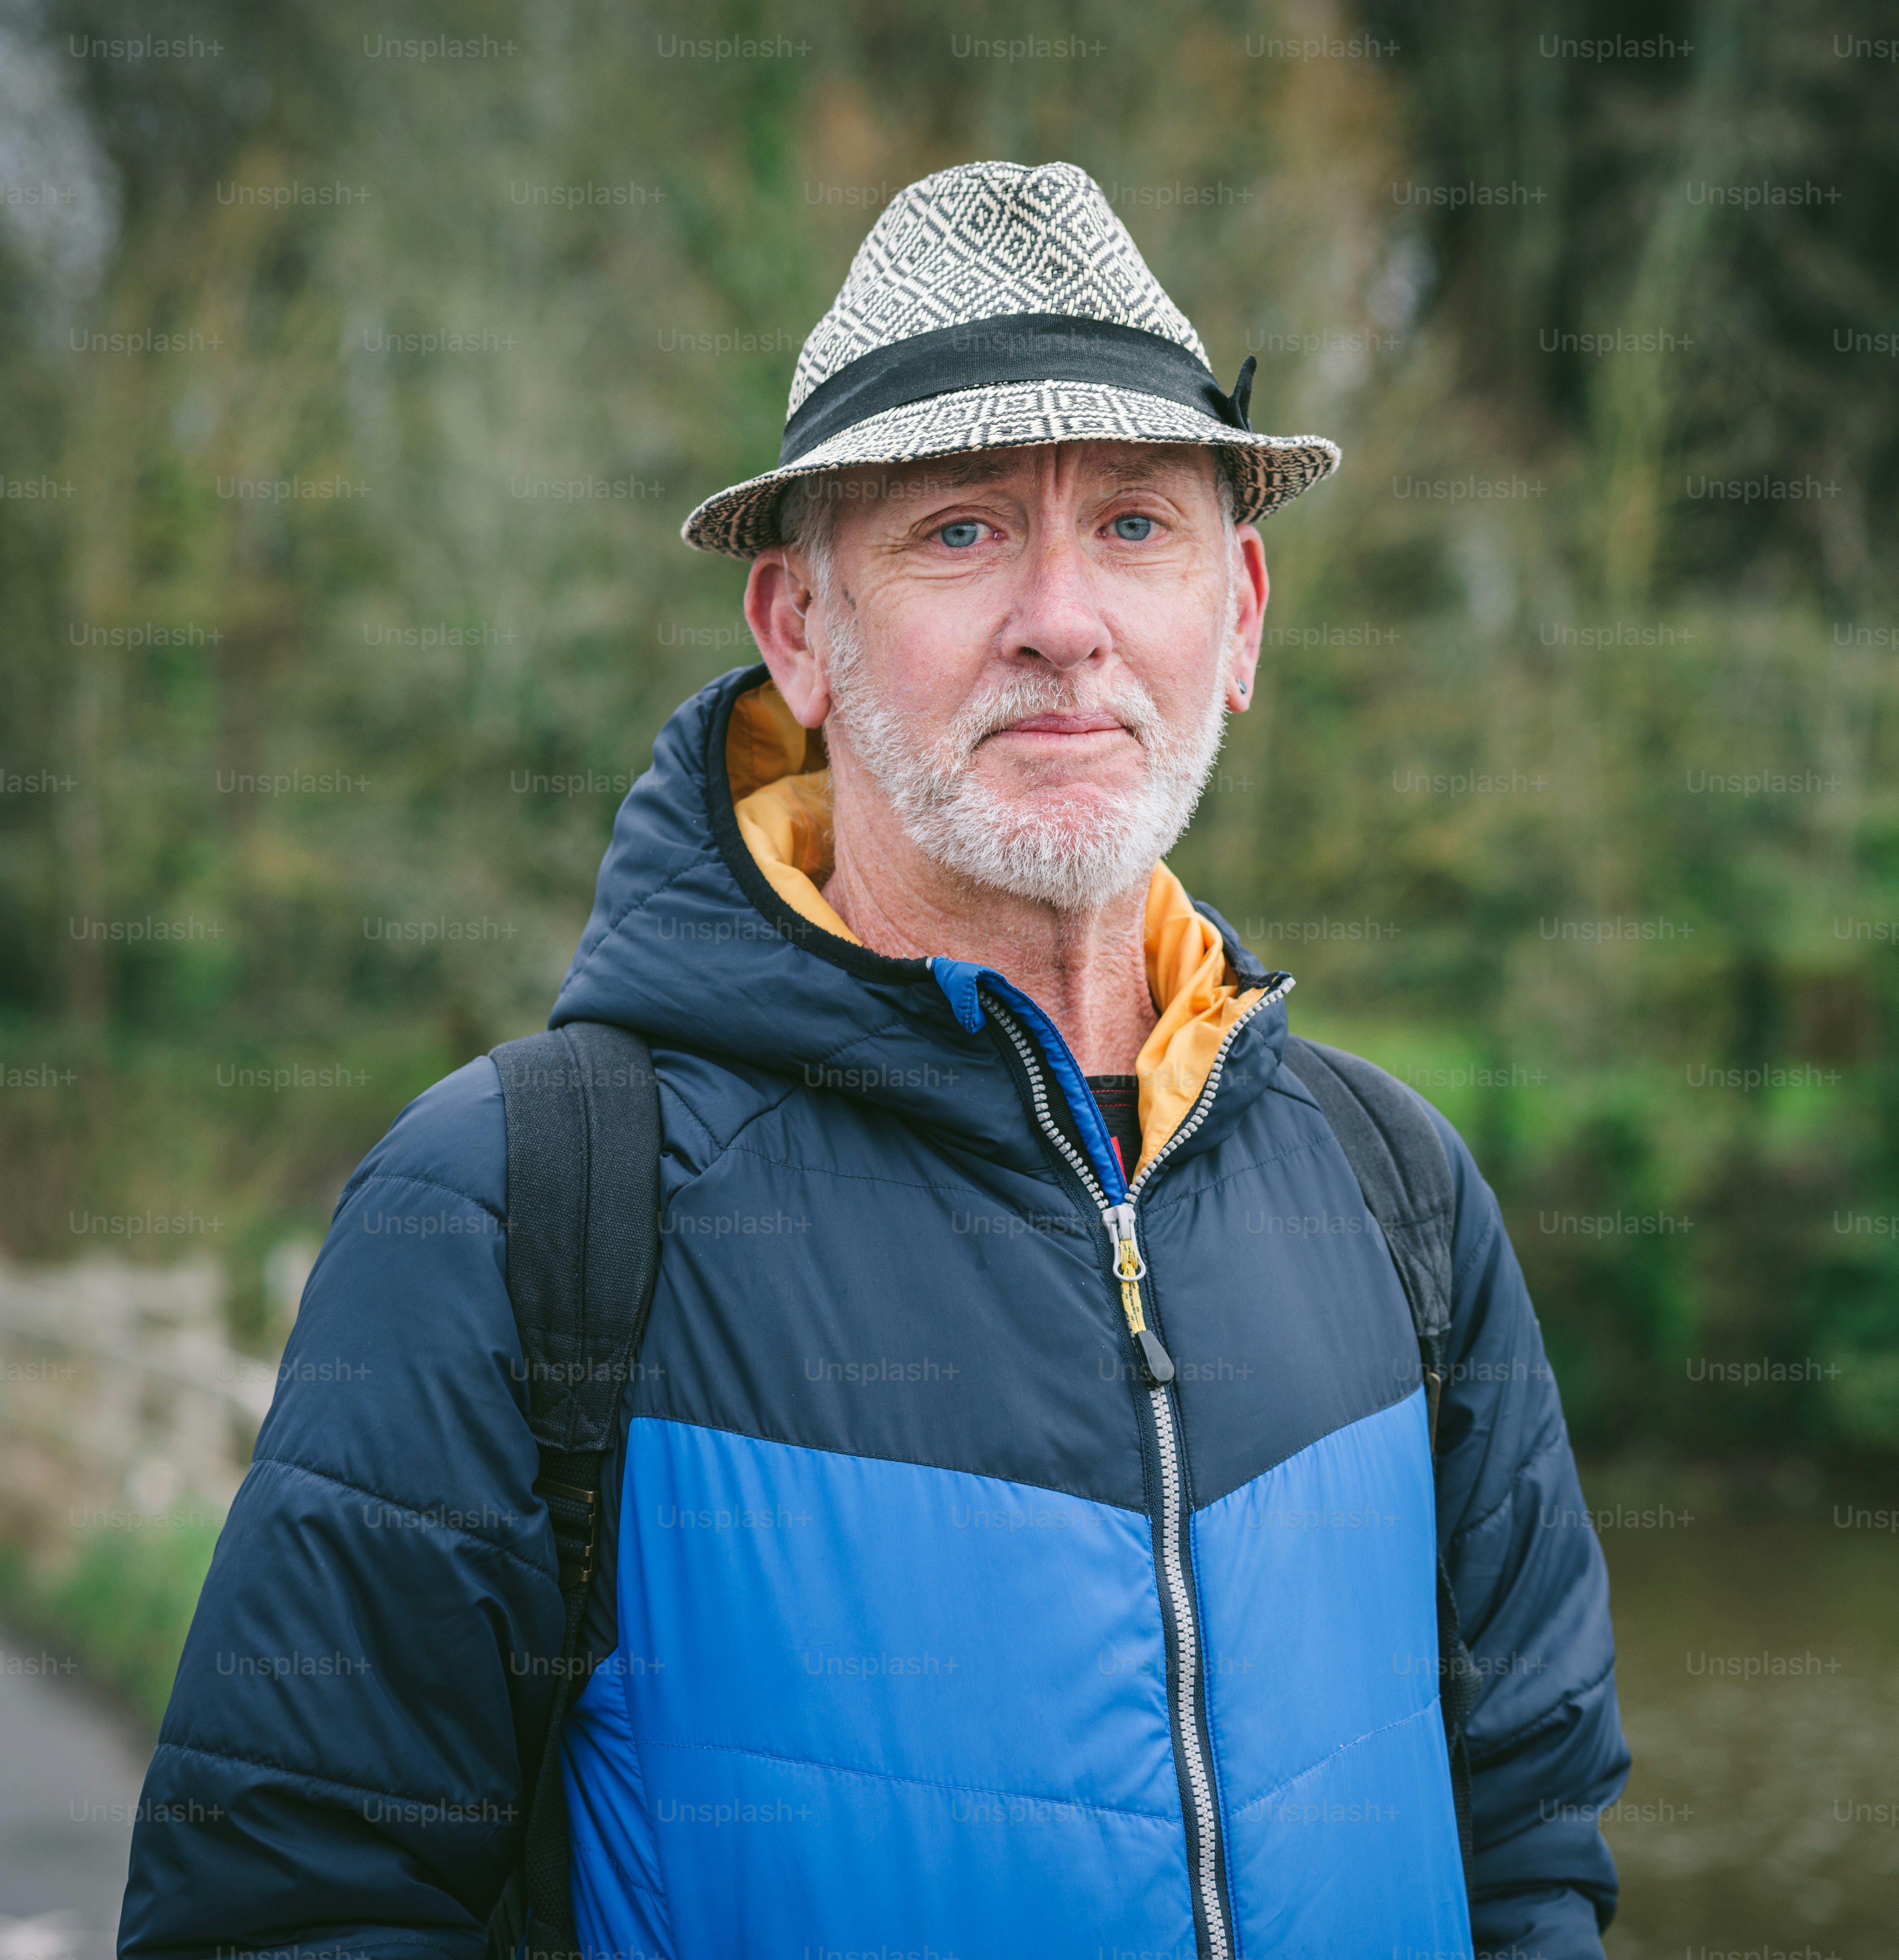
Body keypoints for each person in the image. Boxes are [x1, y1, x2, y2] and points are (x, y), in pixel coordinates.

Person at [119, 158, 1629, 1960]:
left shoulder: (1398, 1196)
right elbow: (288, 1910)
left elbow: (1531, 1846)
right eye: (963, 529)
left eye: (1135, 526)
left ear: (1238, 619)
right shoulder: (518, 1213)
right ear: (798, 633)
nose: (1062, 618)